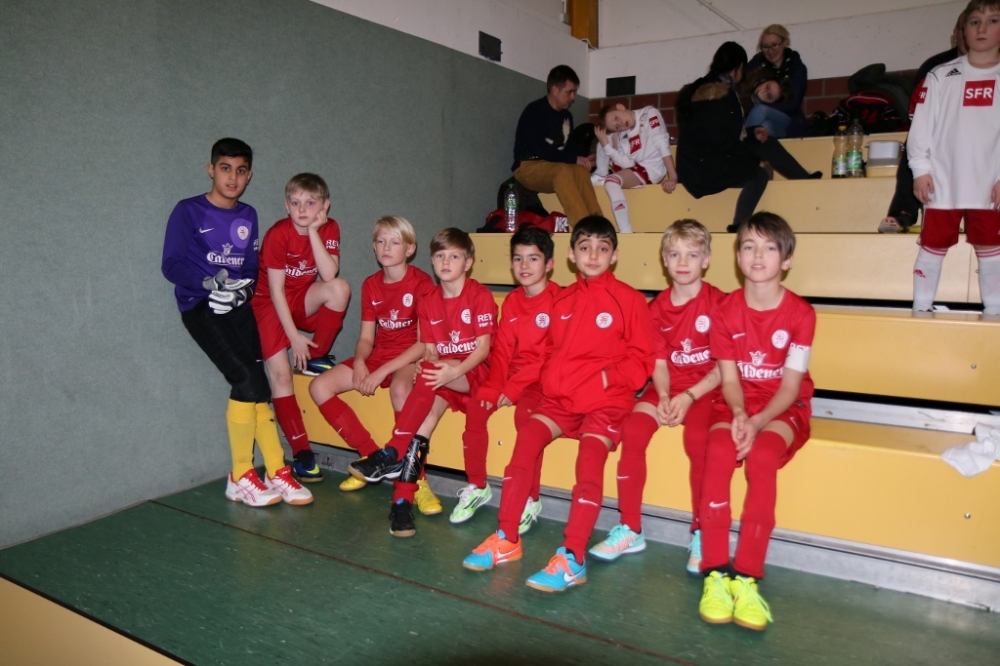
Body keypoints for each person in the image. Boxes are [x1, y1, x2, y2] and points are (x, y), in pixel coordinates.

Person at [462, 216, 655, 593]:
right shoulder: (563, 300)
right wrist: (552, 381)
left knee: (589, 461)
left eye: (602, 248)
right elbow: (550, 351)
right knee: (526, 441)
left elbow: (642, 361)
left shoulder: (629, 300)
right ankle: (506, 538)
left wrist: (605, 379)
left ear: (614, 256)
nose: (593, 255)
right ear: (571, 254)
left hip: (605, 401)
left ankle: (572, 557)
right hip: (562, 399)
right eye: (585, 247)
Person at [161, 138, 312, 507]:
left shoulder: (248, 215)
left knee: (258, 386)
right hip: (201, 306)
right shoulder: (188, 210)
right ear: (211, 169)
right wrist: (208, 284)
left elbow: (249, 267)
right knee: (245, 380)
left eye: (241, 170)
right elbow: (171, 264)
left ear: (249, 175)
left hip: (237, 307)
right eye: (225, 168)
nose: (233, 177)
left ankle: (276, 470)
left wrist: (241, 290)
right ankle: (241, 475)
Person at [697, 212, 815, 632]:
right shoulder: (724, 310)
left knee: (762, 458)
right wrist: (740, 414)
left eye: (769, 247)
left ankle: (747, 577)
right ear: (737, 256)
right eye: (749, 246)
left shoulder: (801, 314)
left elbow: (791, 386)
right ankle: (715, 572)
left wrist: (759, 420)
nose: (758, 255)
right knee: (719, 451)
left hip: (783, 406)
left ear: (787, 259)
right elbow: (729, 380)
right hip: (735, 402)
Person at [588, 220, 723, 575]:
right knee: (633, 430)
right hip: (667, 386)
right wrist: (663, 395)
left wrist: (689, 396)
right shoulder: (656, 308)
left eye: (692, 255)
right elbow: (659, 363)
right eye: (674, 254)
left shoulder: (720, 304)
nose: (683, 262)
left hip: (706, 389)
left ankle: (702, 532)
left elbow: (726, 367)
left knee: (699, 440)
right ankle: (631, 528)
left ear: (706, 259)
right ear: (664, 260)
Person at [348, 228, 497, 537]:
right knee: (422, 424)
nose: (446, 262)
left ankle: (393, 451)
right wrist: (426, 362)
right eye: (440, 256)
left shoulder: (479, 295)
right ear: (431, 260)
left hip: (475, 372)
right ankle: (402, 502)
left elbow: (483, 350)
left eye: (454, 256)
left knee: (430, 372)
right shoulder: (428, 300)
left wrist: (450, 371)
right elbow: (429, 349)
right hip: (444, 376)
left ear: (468, 263)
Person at [307, 216, 434, 493]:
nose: (386, 247)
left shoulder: (422, 283)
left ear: (410, 249)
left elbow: (423, 344)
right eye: (380, 241)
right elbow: (366, 338)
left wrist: (382, 372)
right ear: (374, 246)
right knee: (319, 386)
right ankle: (371, 458)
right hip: (379, 355)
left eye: (395, 242)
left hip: (409, 357)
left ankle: (416, 479)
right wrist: (361, 362)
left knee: (400, 389)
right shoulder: (371, 285)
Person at [450, 228, 561, 531]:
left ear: (549, 264)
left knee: (526, 418)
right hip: (512, 375)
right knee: (477, 406)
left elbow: (549, 358)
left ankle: (531, 498)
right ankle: (477, 486)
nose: (524, 265)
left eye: (533, 259)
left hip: (543, 380)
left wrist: (511, 389)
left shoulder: (560, 300)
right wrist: (493, 386)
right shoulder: (511, 302)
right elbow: (501, 351)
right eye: (518, 258)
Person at [252, 173, 350, 483]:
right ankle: (302, 453)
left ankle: (316, 356)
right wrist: (294, 338)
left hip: (301, 298)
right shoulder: (277, 235)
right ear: (286, 206)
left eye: (310, 203)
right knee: (281, 376)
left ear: (325, 205)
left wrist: (314, 232)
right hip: (268, 303)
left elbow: (329, 273)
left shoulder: (328, 227)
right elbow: (276, 291)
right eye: (295, 203)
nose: (302, 209)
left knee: (339, 288)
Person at [909, 0, 1000, 315]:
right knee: (932, 246)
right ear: (963, 30)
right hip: (943, 181)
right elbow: (921, 129)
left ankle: (995, 311)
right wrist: (920, 170)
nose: (982, 28)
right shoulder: (940, 75)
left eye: (993, 21)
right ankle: (921, 308)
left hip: (990, 183)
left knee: (991, 247)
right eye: (974, 22)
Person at [676, 42, 820, 233]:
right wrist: (753, 160)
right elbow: (723, 140)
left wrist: (752, 132)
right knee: (758, 174)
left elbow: (722, 134)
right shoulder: (719, 94)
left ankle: (803, 177)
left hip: (704, 161)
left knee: (764, 141)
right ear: (739, 67)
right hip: (704, 169)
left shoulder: (712, 88)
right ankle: (739, 225)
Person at [879, 11, 969, 233]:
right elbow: (919, 113)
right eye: (968, 27)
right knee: (916, 144)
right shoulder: (936, 66)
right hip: (943, 131)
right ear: (955, 34)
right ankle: (902, 213)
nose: (975, 32)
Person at [512, 65, 603, 227]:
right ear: (555, 89)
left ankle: (599, 226)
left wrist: (585, 160)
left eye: (574, 92)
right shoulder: (535, 111)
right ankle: (582, 228)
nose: (573, 97)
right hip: (528, 166)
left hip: (554, 166)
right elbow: (538, 148)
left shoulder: (567, 116)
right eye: (569, 92)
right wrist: (573, 159)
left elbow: (569, 153)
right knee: (562, 171)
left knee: (580, 170)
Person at [592, 103, 679, 233]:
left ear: (620, 107)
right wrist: (606, 145)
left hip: (653, 168)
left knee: (611, 181)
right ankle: (601, 174)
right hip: (638, 167)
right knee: (605, 142)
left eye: (616, 118)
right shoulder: (622, 134)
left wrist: (672, 177)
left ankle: (626, 232)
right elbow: (628, 164)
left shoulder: (648, 113)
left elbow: (662, 145)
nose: (620, 124)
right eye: (616, 127)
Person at [744, 25, 809, 138]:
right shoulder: (755, 64)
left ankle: (743, 144)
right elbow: (741, 92)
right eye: (765, 46)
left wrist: (759, 102)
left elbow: (793, 104)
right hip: (763, 121)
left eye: (774, 45)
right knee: (765, 126)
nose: (770, 51)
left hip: (787, 119)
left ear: (785, 43)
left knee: (760, 110)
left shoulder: (796, 67)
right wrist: (753, 100)